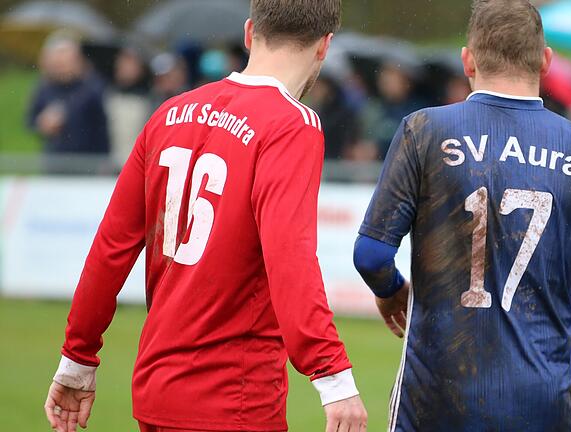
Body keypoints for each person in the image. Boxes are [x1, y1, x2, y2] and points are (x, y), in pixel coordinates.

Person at [43, 1, 367, 432]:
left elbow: (111, 247)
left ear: (250, 33)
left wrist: (77, 359)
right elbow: (290, 258)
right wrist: (333, 376)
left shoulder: (168, 114)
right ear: (325, 47)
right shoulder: (292, 124)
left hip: (157, 391)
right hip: (232, 397)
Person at [353, 1, 571, 431]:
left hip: (435, 397)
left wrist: (391, 289)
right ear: (545, 61)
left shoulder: (424, 130)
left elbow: (371, 255)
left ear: (467, 60)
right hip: (541, 401)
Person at [28, 35, 110, 159]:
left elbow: (104, 125)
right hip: (55, 158)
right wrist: (41, 123)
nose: (61, 66)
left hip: (88, 160)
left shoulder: (93, 86)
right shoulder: (44, 88)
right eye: (57, 62)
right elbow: (30, 120)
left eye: (66, 60)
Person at [107, 46, 152, 168]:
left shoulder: (151, 99)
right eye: (122, 64)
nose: (125, 69)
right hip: (111, 165)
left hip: (138, 165)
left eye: (130, 64)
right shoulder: (107, 95)